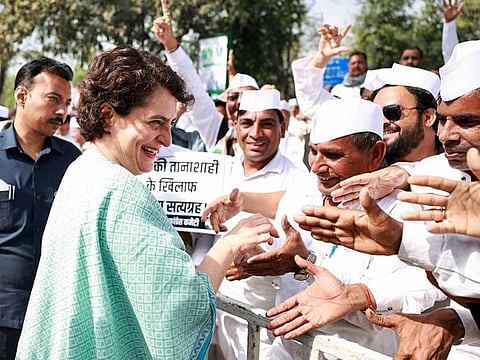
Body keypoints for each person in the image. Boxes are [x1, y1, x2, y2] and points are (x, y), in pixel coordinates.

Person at [15, 45, 278, 360]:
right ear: (108, 115)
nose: (167, 139)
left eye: (169, 123)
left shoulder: (83, 168)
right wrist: (230, 245)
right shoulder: (121, 191)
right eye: (156, 123)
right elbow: (179, 306)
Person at [204, 98, 445, 359]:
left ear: (374, 154)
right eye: (313, 152)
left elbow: (415, 290)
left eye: (332, 155)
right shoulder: (304, 192)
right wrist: (256, 255)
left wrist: (307, 263)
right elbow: (282, 264)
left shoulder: (401, 212)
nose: (317, 166)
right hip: (285, 349)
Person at [293, 40, 480, 357]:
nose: (447, 134)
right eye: (447, 120)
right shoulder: (419, 176)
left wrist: (369, 288)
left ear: (426, 116)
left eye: (467, 121)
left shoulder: (429, 179)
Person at [214, 88, 310, 360]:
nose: (255, 133)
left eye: (266, 124)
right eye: (247, 123)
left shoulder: (297, 180)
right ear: (235, 126)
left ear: (282, 127)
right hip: (213, 313)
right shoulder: (221, 170)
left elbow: (298, 247)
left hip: (259, 323)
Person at [0, 57, 81, 360]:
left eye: (67, 102)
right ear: (22, 96)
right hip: (4, 318)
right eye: (53, 100)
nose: (62, 111)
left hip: (56, 318)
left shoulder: (74, 162)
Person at [371, 63, 441, 166]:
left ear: (428, 117)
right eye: (377, 115)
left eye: (392, 112)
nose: (383, 121)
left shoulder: (461, 164)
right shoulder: (368, 172)